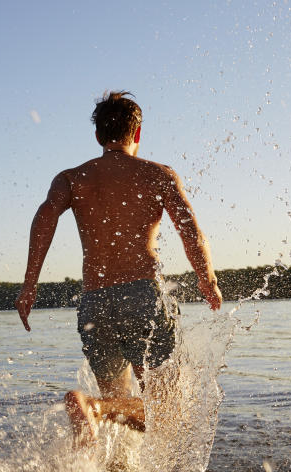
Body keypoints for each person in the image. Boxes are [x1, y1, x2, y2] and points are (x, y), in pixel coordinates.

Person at [16, 91, 223, 447]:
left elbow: (44, 217)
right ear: (137, 134)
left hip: (95, 303)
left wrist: (29, 285)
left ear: (98, 136)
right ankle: (93, 407)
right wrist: (208, 280)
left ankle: (105, 440)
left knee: (121, 405)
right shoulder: (158, 175)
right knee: (167, 411)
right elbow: (191, 231)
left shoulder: (72, 179)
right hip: (143, 297)